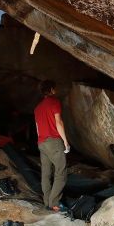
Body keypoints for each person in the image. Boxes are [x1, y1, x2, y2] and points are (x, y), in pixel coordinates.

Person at [33, 79, 70, 212]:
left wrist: (40, 141)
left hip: (41, 142)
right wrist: (65, 140)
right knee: (61, 172)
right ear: (52, 89)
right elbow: (58, 122)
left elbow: (37, 128)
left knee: (46, 173)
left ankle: (47, 202)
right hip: (53, 141)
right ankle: (54, 203)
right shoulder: (54, 102)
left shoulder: (37, 108)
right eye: (55, 88)